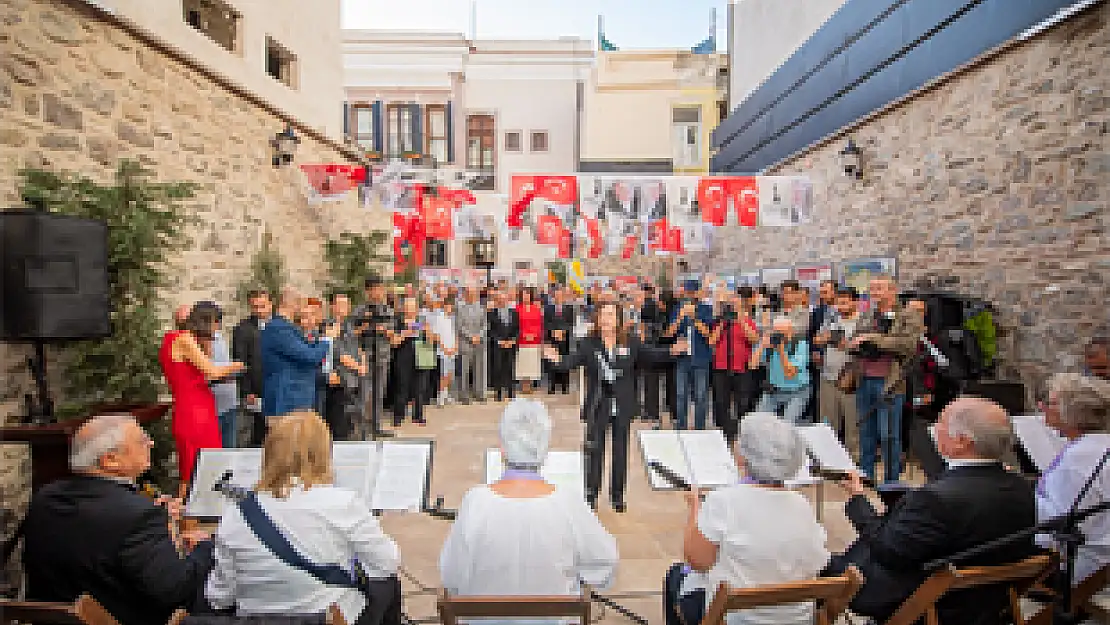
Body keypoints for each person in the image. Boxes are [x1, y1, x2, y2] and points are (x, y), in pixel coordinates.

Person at [824, 396, 1036, 623]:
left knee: (818, 565)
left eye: (941, 422)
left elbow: (887, 551)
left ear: (961, 441)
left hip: (932, 602)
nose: (934, 428)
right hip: (985, 602)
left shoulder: (936, 499)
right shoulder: (1020, 486)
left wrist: (858, 500)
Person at [206, 412, 402, 624]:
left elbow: (219, 597)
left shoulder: (235, 513)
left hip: (257, 619)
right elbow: (386, 562)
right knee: (387, 584)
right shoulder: (342, 503)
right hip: (326, 618)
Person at [439, 399, 618, 624]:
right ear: (544, 449)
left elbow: (451, 576)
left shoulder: (475, 502)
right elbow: (606, 566)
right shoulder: (568, 503)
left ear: (502, 449)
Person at [24, 415, 214, 625]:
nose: (150, 442)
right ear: (110, 460)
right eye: (141, 440)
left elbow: (98, 537)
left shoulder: (45, 497)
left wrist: (159, 523)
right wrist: (204, 547)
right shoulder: (138, 516)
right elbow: (176, 590)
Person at [664, 413, 830, 625]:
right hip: (794, 617)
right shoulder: (802, 505)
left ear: (744, 456)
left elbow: (698, 561)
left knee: (675, 576)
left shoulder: (723, 501)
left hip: (738, 618)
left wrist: (695, 509)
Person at [545, 302, 687, 511]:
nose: (606, 319)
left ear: (618, 318)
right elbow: (570, 362)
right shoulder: (588, 344)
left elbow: (652, 355)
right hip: (598, 405)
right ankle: (591, 494)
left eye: (611, 314)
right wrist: (556, 359)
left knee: (620, 452)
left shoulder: (631, 342)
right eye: (603, 314)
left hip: (622, 404)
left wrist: (672, 351)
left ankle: (617, 496)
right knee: (594, 450)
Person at [848, 275, 924, 484]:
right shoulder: (868, 315)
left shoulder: (908, 315)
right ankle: (866, 476)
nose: (874, 292)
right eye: (872, 288)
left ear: (892, 290)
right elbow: (856, 336)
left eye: (879, 288)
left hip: (890, 383)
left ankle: (891, 482)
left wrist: (873, 339)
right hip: (864, 379)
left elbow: (907, 345)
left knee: (889, 435)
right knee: (866, 432)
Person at [1037, 373, 1110, 584]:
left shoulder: (1078, 458)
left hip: (1086, 564)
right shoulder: (1099, 444)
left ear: (1071, 412)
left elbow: (1062, 521)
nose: (1042, 407)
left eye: (1050, 403)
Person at [160, 304, 244, 485]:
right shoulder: (183, 339)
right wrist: (236, 365)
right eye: (216, 323)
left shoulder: (182, 339)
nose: (217, 328)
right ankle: (190, 509)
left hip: (199, 405)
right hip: (193, 408)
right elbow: (211, 371)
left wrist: (207, 342)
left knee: (208, 461)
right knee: (195, 464)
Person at [261, 289, 335, 419]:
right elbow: (310, 356)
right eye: (302, 305)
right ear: (292, 305)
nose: (303, 310)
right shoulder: (279, 328)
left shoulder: (288, 328)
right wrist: (326, 340)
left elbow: (306, 348)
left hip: (295, 400)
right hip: (286, 401)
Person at [709, 288, 759, 443]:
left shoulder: (747, 320)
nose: (733, 306)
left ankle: (742, 435)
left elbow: (754, 339)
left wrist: (741, 320)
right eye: (730, 303)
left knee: (742, 402)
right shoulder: (722, 321)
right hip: (722, 367)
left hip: (741, 367)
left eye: (736, 302)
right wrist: (723, 322)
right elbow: (712, 341)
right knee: (721, 402)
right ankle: (726, 434)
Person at [750, 317, 811, 424]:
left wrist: (781, 351)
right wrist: (761, 346)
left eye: (782, 333)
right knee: (758, 422)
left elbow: (790, 373)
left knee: (787, 425)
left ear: (791, 331)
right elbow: (752, 365)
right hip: (774, 391)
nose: (780, 337)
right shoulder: (770, 344)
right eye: (777, 332)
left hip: (797, 391)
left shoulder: (800, 345)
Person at [195, 301, 238, 448]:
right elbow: (208, 372)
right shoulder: (194, 342)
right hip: (212, 407)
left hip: (229, 403)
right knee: (212, 453)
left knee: (229, 452)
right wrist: (234, 368)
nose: (217, 326)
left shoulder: (220, 338)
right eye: (215, 321)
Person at [233, 289, 272, 446]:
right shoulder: (242, 329)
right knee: (257, 435)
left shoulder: (282, 325)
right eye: (255, 307)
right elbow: (239, 361)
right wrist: (247, 391)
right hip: (256, 391)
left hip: (279, 390)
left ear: (270, 304)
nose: (259, 311)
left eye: (262, 306)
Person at [389, 297, 430, 425]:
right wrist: (404, 333)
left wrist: (427, 332)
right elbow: (393, 342)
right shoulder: (398, 322)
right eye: (407, 307)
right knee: (402, 386)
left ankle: (418, 415)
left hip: (420, 356)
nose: (410, 310)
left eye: (412, 307)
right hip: (403, 357)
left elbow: (430, 339)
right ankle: (398, 416)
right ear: (404, 308)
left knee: (419, 387)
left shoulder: (422, 321)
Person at [456, 286, 488, 404]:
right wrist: (471, 337)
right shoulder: (460, 308)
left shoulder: (481, 308)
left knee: (479, 369)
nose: (471, 295)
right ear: (465, 294)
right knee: (464, 370)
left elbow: (484, 325)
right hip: (466, 343)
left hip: (479, 343)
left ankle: (479, 393)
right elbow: (459, 326)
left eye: (473, 293)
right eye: (469, 293)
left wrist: (478, 336)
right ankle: (463, 395)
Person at [488, 290, 520, 402]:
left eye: (504, 299)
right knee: (498, 368)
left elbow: (517, 329)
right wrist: (499, 341)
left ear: (507, 300)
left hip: (511, 345)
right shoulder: (492, 313)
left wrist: (513, 340)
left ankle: (511, 392)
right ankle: (499, 393)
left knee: (510, 368)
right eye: (500, 299)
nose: (502, 301)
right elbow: (491, 330)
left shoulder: (514, 313)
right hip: (498, 345)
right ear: (497, 301)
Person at [516, 287, 544, 394]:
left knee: (532, 363)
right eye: (524, 294)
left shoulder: (536, 308)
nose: (526, 297)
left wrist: (534, 335)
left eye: (528, 294)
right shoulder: (517, 308)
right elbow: (516, 325)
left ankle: (530, 384)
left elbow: (539, 324)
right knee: (523, 363)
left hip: (534, 341)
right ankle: (524, 384)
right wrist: (524, 335)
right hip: (522, 340)